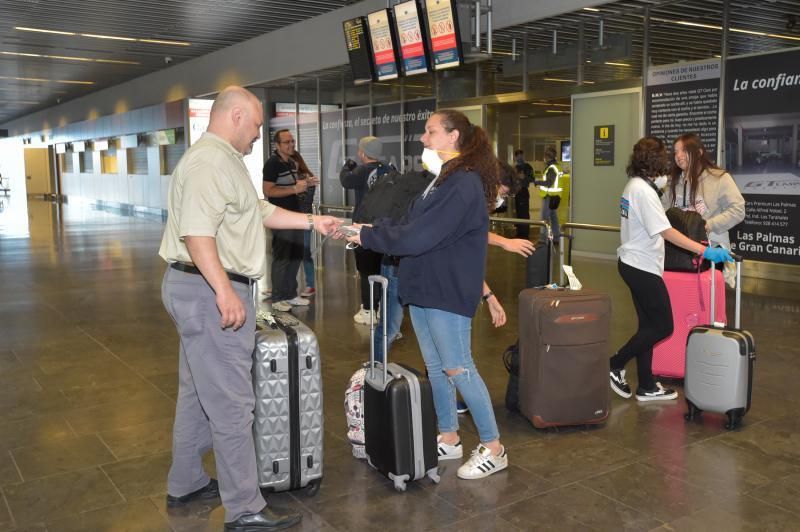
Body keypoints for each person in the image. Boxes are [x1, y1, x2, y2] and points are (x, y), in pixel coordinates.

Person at [159, 86, 338, 532]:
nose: (259, 134)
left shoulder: (224, 161)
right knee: (234, 405)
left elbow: (257, 210)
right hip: (207, 290)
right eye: (257, 124)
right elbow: (198, 234)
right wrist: (224, 291)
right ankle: (244, 508)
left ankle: (185, 482)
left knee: (198, 396)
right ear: (236, 115)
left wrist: (315, 221)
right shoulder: (208, 162)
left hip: (196, 289)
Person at [346, 109, 508, 480]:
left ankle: (494, 447)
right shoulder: (442, 181)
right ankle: (449, 436)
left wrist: (368, 237)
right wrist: (369, 227)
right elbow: (411, 223)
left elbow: (421, 236)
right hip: (423, 285)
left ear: (453, 137)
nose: (423, 138)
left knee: (458, 366)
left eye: (430, 131)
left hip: (446, 288)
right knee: (436, 367)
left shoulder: (463, 183)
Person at [609, 137, 733, 402]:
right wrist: (703, 250)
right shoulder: (643, 191)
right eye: (666, 155)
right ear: (654, 160)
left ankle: (646, 385)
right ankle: (615, 363)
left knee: (648, 325)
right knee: (664, 326)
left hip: (634, 263)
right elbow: (667, 232)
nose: (669, 161)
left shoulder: (635, 186)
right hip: (641, 266)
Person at [663, 133, 745, 287]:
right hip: (679, 250)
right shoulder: (672, 181)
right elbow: (662, 211)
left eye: (683, 150)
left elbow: (738, 209)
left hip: (711, 248)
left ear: (699, 153)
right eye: (675, 152)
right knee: (681, 296)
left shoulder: (719, 178)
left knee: (708, 299)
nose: (678, 156)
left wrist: (708, 225)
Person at [263, 129, 319, 312]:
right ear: (277, 145)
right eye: (286, 142)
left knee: (295, 255)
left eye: (292, 141)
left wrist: (306, 184)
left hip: (295, 215)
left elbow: (294, 187)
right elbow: (269, 191)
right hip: (280, 216)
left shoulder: (292, 163)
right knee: (282, 257)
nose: (291, 145)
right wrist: (295, 189)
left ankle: (290, 294)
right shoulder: (272, 164)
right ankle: (278, 297)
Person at [340, 136, 389, 324]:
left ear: (362, 153)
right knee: (383, 270)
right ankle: (383, 310)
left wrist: (347, 166)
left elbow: (345, 180)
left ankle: (368, 310)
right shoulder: (389, 170)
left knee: (366, 270)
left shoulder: (361, 170)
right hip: (384, 228)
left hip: (363, 229)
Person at [290, 150, 318, 297]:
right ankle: (286, 285)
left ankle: (310, 285)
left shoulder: (307, 177)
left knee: (305, 252)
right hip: (290, 220)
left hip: (304, 219)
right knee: (289, 253)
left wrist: (294, 188)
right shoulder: (288, 177)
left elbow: (305, 200)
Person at [534, 146, 563, 246]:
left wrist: (538, 182)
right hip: (555, 196)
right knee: (554, 217)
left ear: (547, 157)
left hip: (549, 196)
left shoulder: (551, 168)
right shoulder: (557, 166)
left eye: (545, 156)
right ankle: (556, 237)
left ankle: (543, 238)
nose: (544, 158)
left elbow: (549, 182)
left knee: (544, 218)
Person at [513, 149, 534, 239]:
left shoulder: (527, 167)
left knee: (524, 214)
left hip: (523, 192)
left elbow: (532, 178)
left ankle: (524, 234)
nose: (519, 158)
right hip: (517, 193)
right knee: (519, 214)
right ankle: (519, 233)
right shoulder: (515, 168)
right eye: (517, 156)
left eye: (521, 155)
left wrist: (524, 177)